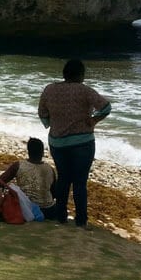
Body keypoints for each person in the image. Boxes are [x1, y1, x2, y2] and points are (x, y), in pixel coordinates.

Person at [38, 58, 111, 228]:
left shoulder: (50, 89)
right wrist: (94, 120)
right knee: (80, 182)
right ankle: (81, 221)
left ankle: (61, 217)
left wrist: (51, 123)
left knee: (63, 179)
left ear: (64, 74)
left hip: (57, 142)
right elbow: (106, 107)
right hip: (82, 143)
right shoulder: (84, 90)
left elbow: (42, 113)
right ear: (81, 75)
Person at [0, 137, 57, 220]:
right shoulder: (50, 169)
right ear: (42, 152)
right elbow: (54, 193)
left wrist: (11, 191)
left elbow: (0, 181)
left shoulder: (19, 165)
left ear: (28, 151)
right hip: (49, 211)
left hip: (26, 209)